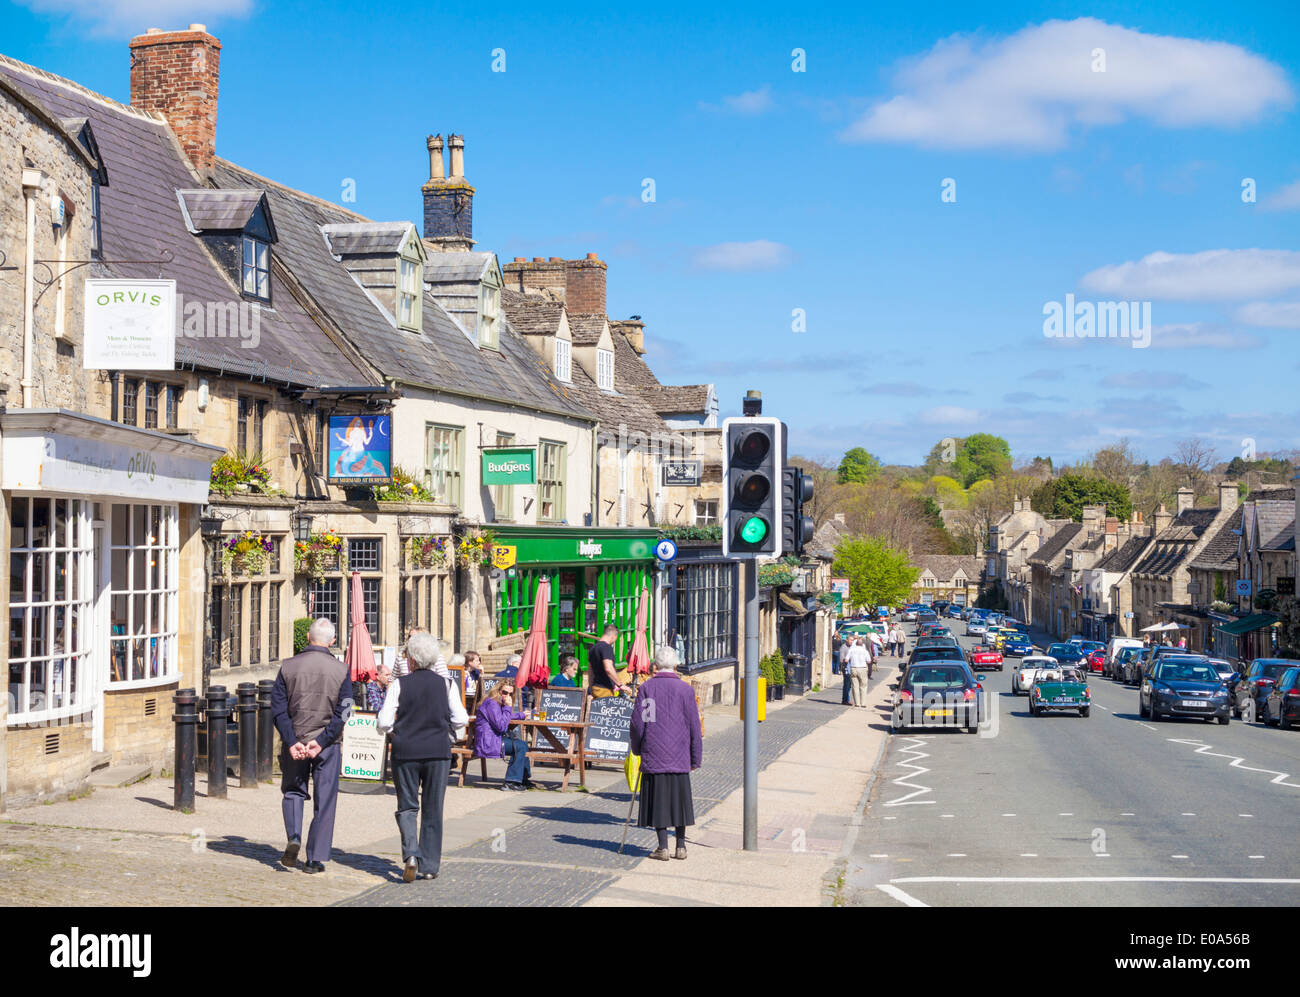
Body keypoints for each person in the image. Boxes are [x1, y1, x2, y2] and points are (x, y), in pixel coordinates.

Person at [376, 631, 468, 882]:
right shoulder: (447, 684)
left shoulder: (399, 684)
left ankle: (410, 856)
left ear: (412, 661)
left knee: (407, 806)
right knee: (432, 808)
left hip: (406, 751)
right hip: (438, 751)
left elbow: (383, 721)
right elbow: (461, 719)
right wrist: (446, 733)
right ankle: (429, 865)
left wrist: (396, 732)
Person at [270, 618, 351, 874]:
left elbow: (278, 709)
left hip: (296, 739)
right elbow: (345, 711)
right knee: (325, 799)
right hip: (326, 745)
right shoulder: (341, 670)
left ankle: (294, 836)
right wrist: (322, 740)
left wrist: (292, 741)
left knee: (293, 791)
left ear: (307, 638)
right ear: (333, 641)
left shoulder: (288, 667)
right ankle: (315, 858)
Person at [629, 645, 702, 861]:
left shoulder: (648, 689)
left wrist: (637, 747)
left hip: (655, 752)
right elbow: (694, 726)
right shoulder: (686, 690)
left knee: (659, 799)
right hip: (680, 753)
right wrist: (695, 757)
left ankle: (663, 847)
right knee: (680, 799)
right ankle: (681, 846)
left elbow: (640, 723)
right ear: (676, 665)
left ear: (656, 665)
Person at [474, 681, 533, 791]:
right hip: (488, 743)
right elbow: (501, 726)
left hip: (493, 739)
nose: (507, 696)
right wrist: (508, 707)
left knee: (523, 744)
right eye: (505, 692)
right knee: (519, 746)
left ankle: (523, 779)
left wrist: (521, 715)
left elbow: (503, 717)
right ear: (498, 691)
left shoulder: (497, 703)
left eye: (511, 694)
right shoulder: (492, 703)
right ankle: (511, 782)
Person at [587, 624, 630, 699]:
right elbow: (608, 669)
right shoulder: (606, 647)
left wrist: (591, 687)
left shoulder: (592, 649)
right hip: (605, 689)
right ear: (614, 636)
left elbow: (590, 671)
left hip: (595, 688)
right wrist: (620, 685)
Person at [848, 635, 872, 708]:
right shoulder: (865, 651)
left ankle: (857, 703)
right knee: (863, 686)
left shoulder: (851, 650)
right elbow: (869, 661)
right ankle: (863, 703)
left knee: (855, 686)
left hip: (854, 668)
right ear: (862, 644)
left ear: (856, 644)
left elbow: (846, 659)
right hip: (862, 668)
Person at [840, 637, 854, 706]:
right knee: (847, 684)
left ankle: (846, 699)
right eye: (850, 640)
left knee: (849, 685)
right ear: (847, 640)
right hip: (846, 668)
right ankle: (845, 700)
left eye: (852, 640)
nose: (851, 641)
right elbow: (841, 659)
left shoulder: (852, 647)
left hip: (851, 667)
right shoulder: (843, 647)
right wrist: (848, 659)